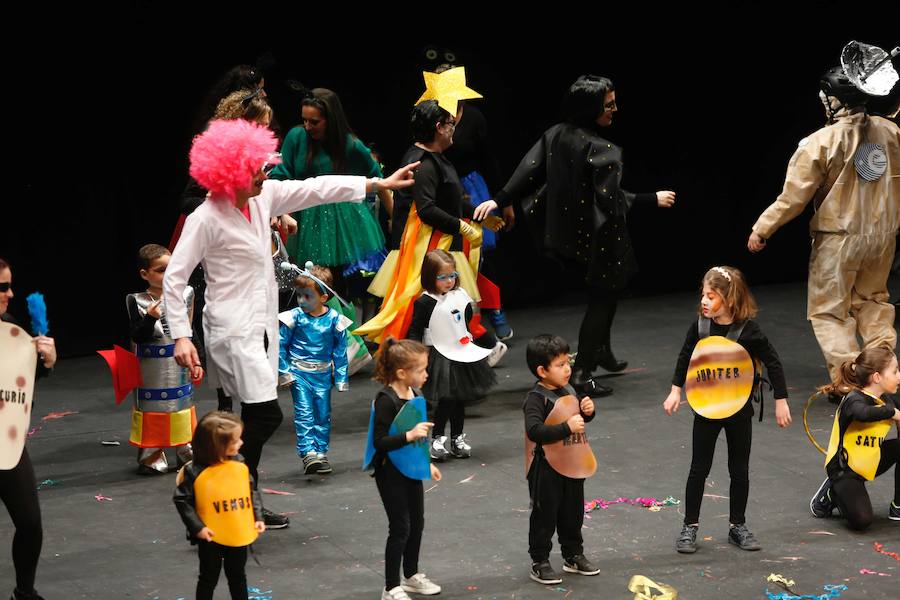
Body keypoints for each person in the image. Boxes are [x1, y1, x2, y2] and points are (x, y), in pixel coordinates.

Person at [164, 118, 419, 529]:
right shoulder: (206, 218)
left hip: (264, 327)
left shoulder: (263, 200)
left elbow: (315, 187)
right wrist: (180, 334)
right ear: (229, 174)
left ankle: (240, 493)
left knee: (250, 415)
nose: (265, 177)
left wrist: (377, 184)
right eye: (256, 172)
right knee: (264, 417)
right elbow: (175, 278)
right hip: (231, 331)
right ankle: (216, 478)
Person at [494, 75, 675, 394]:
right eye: (609, 104)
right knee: (602, 299)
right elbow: (611, 200)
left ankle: (601, 351)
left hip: (568, 234)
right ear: (590, 108)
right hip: (600, 236)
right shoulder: (602, 149)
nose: (615, 109)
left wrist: (500, 199)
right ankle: (582, 372)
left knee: (608, 293)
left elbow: (527, 168)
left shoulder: (555, 134)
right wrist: (652, 199)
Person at [748, 63, 900, 395]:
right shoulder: (891, 133)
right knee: (874, 301)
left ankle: (851, 383)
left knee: (830, 311)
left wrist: (763, 228)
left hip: (839, 237)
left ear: (836, 100)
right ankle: (885, 372)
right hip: (883, 235)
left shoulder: (821, 141)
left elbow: (793, 197)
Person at [356, 99, 504, 351]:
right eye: (450, 123)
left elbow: (448, 200)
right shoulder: (423, 162)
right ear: (439, 127)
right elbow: (427, 209)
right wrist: (462, 226)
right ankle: (407, 360)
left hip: (438, 243)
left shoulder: (435, 158)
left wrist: (478, 215)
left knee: (443, 306)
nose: (454, 128)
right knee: (417, 307)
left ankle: (476, 347)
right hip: (428, 247)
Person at [663, 266, 792, 554]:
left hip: (738, 409)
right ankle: (690, 526)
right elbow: (686, 356)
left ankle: (738, 526)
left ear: (729, 298)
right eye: (703, 295)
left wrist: (780, 400)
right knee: (699, 468)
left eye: (711, 296)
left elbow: (773, 361)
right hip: (707, 408)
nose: (705, 302)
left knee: (739, 470)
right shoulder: (700, 326)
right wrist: (675, 390)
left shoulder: (748, 330)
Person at [267, 88, 389, 287]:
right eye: (304, 120)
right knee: (305, 278)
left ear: (330, 120)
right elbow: (281, 175)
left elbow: (378, 178)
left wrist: (397, 219)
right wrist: (280, 211)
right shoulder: (296, 137)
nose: (307, 126)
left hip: (339, 222)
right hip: (304, 216)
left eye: (314, 122)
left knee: (335, 281)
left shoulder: (349, 145)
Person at [437, 64, 514, 340]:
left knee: (482, 255)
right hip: (444, 187)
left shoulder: (474, 118)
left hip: (473, 186)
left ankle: (495, 310)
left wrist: (504, 199)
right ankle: (463, 319)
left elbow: (489, 158)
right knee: (452, 255)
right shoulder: (432, 117)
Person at [364, 338, 442, 600]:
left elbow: (419, 438)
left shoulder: (416, 395)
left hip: (411, 469)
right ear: (402, 373)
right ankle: (390, 586)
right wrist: (408, 435)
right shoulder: (386, 400)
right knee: (400, 527)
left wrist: (426, 463)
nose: (426, 374)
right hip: (390, 473)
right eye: (421, 370)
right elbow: (380, 442)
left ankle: (410, 576)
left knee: (416, 524)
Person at [523, 334, 599, 585]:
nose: (568, 369)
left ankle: (573, 554)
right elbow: (535, 431)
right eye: (560, 365)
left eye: (568, 362)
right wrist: (567, 427)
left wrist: (588, 412)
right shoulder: (536, 399)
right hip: (545, 467)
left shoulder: (567, 390)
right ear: (542, 371)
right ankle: (540, 560)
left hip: (572, 462)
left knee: (572, 512)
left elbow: (575, 419)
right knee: (545, 515)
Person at [0, 258, 56, 600]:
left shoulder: (9, 327)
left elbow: (18, 384)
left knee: (30, 522)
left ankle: (25, 592)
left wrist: (44, 361)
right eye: (3, 287)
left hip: (6, 440)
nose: (11, 293)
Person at [407, 250, 496, 460]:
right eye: (442, 277)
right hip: (439, 355)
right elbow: (415, 329)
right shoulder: (426, 302)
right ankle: (437, 438)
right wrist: (415, 355)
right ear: (430, 277)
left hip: (461, 352)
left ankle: (457, 437)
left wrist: (470, 338)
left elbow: (465, 320)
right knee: (446, 398)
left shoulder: (460, 295)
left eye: (452, 275)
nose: (449, 281)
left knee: (460, 398)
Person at [173, 411, 265, 600]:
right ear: (218, 446)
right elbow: (182, 499)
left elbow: (249, 491)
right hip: (211, 536)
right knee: (208, 577)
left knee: (238, 576)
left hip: (236, 530)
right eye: (236, 441)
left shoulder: (239, 463)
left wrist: (257, 517)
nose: (241, 443)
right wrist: (198, 527)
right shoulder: (196, 471)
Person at [126, 244, 199, 474]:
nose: (168, 275)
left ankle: (184, 449)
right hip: (151, 368)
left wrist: (196, 360)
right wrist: (149, 318)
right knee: (152, 408)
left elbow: (190, 329)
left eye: (172, 268)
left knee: (181, 405)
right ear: (145, 274)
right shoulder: (136, 300)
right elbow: (137, 335)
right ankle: (152, 454)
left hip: (178, 364)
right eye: (161, 270)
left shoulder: (186, 293)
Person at [810, 346, 900, 529]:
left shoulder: (887, 399)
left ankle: (898, 506)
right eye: (895, 371)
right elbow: (863, 413)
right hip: (844, 469)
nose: (899, 376)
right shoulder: (854, 399)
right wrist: (892, 413)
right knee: (862, 520)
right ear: (877, 377)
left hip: (869, 460)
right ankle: (831, 493)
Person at [278, 264, 349, 475]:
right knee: (304, 413)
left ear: (324, 298)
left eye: (307, 296)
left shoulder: (335, 320)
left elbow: (340, 351)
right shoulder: (294, 317)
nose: (301, 301)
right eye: (299, 296)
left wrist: (342, 377)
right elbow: (280, 346)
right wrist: (285, 372)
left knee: (323, 413)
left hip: (323, 374)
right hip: (299, 372)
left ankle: (321, 453)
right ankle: (308, 452)